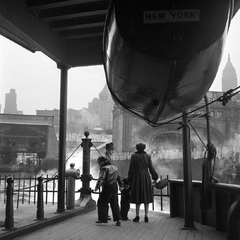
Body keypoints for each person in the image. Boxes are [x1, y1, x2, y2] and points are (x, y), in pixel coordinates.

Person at [128, 143, 159, 223]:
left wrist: (130, 179)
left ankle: (137, 216)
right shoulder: (148, 156)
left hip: (137, 177)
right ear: (144, 148)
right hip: (146, 176)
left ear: (137, 148)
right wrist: (155, 177)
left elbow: (131, 169)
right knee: (146, 196)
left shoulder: (134, 156)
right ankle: (146, 216)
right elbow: (151, 168)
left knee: (138, 196)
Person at [94, 156, 123, 226]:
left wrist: (96, 187)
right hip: (114, 186)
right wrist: (121, 186)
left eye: (99, 163)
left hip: (107, 186)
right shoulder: (115, 167)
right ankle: (118, 219)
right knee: (114, 203)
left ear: (102, 162)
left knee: (102, 202)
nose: (99, 165)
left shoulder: (104, 168)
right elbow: (119, 177)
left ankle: (103, 219)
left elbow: (101, 178)